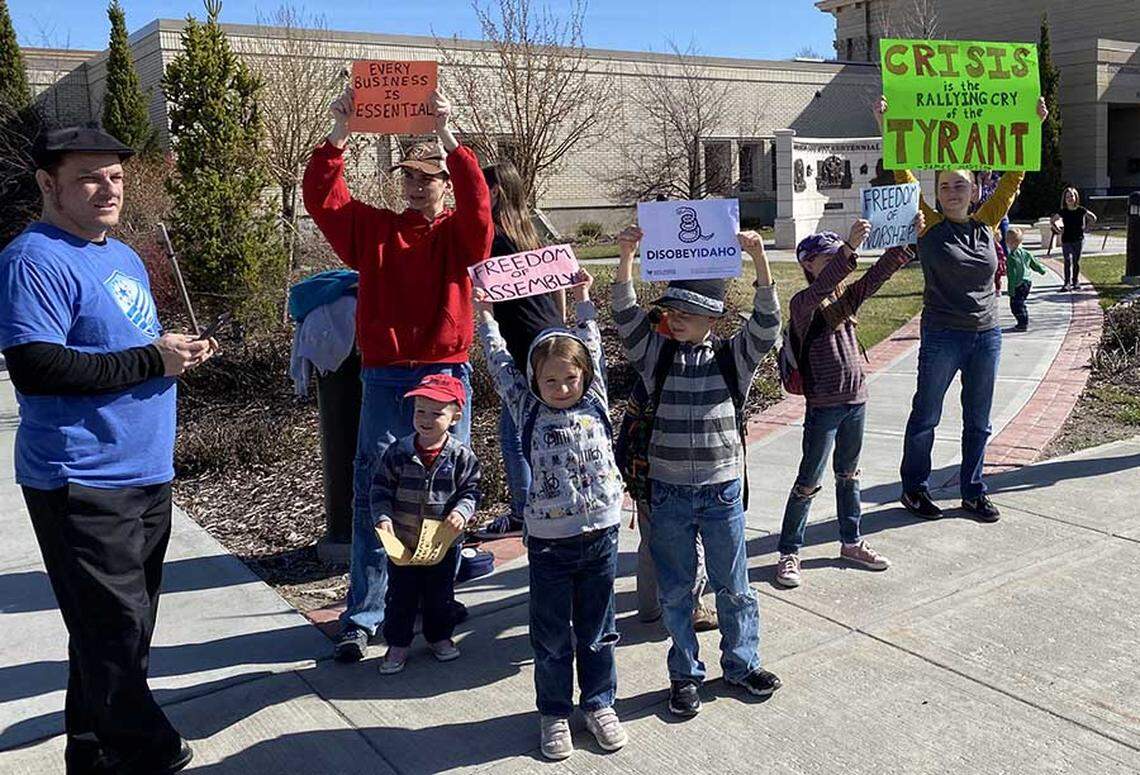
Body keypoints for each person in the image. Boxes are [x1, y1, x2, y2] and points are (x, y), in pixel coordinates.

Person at [0, 125, 219, 774]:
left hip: (146, 473)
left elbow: (123, 351)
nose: (109, 188)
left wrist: (171, 351)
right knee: (116, 638)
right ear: (48, 184)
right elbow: (38, 366)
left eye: (117, 176)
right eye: (91, 177)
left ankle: (90, 754)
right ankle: (148, 749)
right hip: (81, 481)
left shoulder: (120, 257)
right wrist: (154, 357)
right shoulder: (32, 258)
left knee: (113, 635)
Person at [302, 87, 493, 662]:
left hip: (444, 372)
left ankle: (439, 603)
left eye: (428, 177)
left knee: (447, 492)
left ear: (443, 183)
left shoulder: (458, 235)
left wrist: (448, 134)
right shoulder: (375, 230)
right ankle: (365, 615)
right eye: (408, 177)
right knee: (372, 493)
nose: (416, 185)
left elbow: (481, 211)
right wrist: (339, 130)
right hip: (386, 379)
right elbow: (322, 199)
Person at [612, 225, 783, 718]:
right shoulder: (655, 357)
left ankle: (742, 662)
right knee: (677, 589)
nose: (677, 318)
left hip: (722, 493)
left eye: (690, 312)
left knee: (734, 584)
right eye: (672, 310)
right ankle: (684, 673)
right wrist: (626, 255)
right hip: (667, 495)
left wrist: (759, 260)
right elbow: (625, 315)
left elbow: (768, 323)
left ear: (713, 318)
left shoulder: (734, 359)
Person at [475, 270, 628, 761]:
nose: (561, 387)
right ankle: (555, 712)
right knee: (552, 636)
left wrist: (583, 299)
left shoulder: (595, 398)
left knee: (598, 630)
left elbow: (592, 343)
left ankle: (600, 703)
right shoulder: (526, 406)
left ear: (583, 375)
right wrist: (485, 316)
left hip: (601, 535)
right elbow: (499, 363)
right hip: (549, 544)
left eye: (570, 377)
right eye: (550, 379)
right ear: (534, 380)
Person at [873, 94, 1048, 523]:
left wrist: (1035, 123)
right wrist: (885, 122)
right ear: (935, 193)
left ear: (973, 190)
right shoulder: (930, 225)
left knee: (979, 420)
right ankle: (914, 489)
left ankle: (973, 491)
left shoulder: (987, 224)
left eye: (960, 185)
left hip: (986, 335)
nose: (952, 192)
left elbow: (1013, 179)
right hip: (942, 335)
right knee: (926, 416)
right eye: (945, 186)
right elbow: (903, 173)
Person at [773, 218, 919, 589]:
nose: (838, 262)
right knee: (808, 480)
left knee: (849, 475)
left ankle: (851, 542)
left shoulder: (846, 298)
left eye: (839, 256)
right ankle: (789, 552)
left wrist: (904, 243)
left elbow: (875, 278)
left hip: (856, 399)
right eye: (829, 258)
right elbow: (825, 284)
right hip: (824, 405)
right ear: (808, 264)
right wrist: (850, 251)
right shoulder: (803, 304)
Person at [474, 161, 565, 538]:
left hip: (523, 346)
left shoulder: (492, 238)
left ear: (494, 193)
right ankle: (547, 501)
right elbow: (558, 285)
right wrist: (559, 329)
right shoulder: (529, 232)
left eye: (479, 188)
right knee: (547, 426)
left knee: (514, 433)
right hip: (550, 339)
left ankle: (522, 510)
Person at [372, 374, 481, 674]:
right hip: (403, 543)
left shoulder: (461, 456)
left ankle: (439, 637)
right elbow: (379, 490)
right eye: (420, 411)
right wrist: (383, 518)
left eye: (437, 413)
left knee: (440, 595)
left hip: (441, 544)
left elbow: (471, 490)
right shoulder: (398, 452)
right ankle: (397, 644)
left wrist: (462, 511)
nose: (426, 419)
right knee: (400, 596)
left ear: (455, 416)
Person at [623, 311, 717, 631]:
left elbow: (626, 432)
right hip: (671, 476)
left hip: (642, 476)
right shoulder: (677, 378)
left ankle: (648, 606)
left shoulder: (643, 381)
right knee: (693, 538)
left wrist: (626, 471)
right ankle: (694, 605)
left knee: (651, 543)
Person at [1050, 187, 1097, 291]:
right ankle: (1066, 283)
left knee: (1076, 261)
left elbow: (1093, 217)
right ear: (1064, 199)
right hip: (1066, 239)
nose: (1070, 198)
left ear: (1076, 197)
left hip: (1078, 239)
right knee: (1067, 261)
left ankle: (1075, 281)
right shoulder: (1063, 211)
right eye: (1067, 197)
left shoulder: (1081, 210)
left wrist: (1087, 228)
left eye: (1072, 196)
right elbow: (1053, 220)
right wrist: (1058, 230)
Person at [1005, 227, 1048, 332]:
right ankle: (1023, 321)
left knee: (1016, 305)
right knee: (1021, 302)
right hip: (1027, 282)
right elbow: (1035, 264)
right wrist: (1042, 270)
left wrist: (1011, 289)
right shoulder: (1026, 253)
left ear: (1009, 242)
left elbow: (1012, 274)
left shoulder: (1011, 257)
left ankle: (1022, 323)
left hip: (1018, 283)